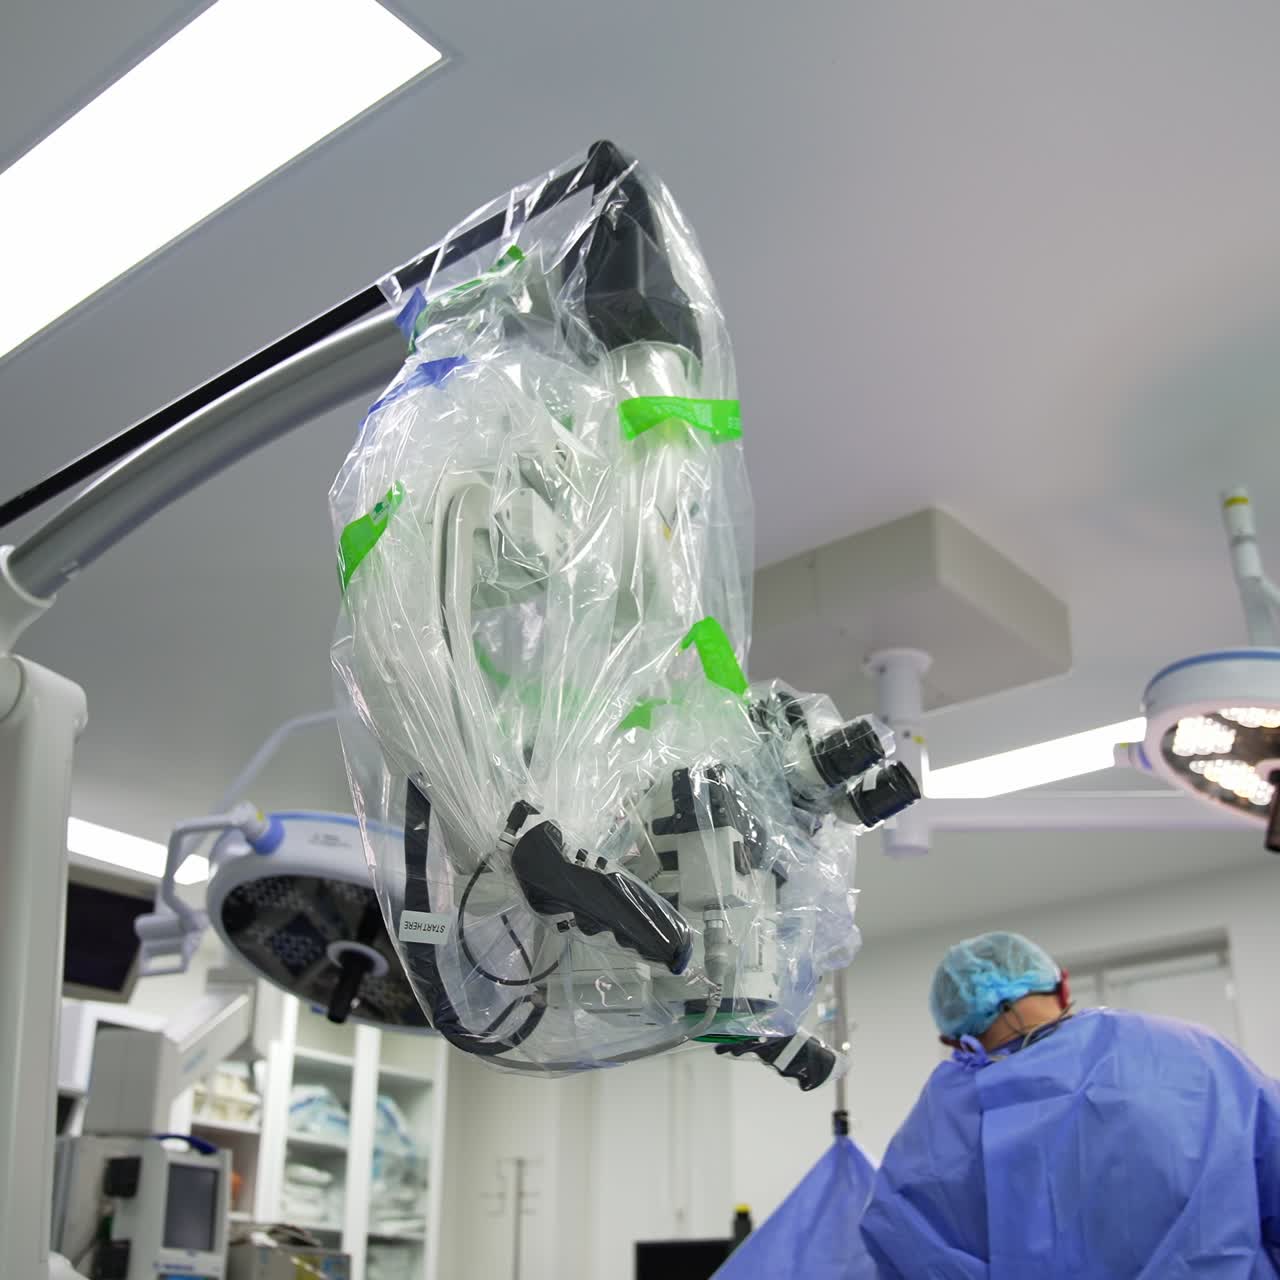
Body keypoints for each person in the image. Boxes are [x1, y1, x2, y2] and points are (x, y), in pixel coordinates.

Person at [860, 930, 1280, 1278]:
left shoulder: (927, 1134)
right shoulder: (1194, 1054)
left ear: (950, 1038)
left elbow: (904, 1258)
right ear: (1061, 984)